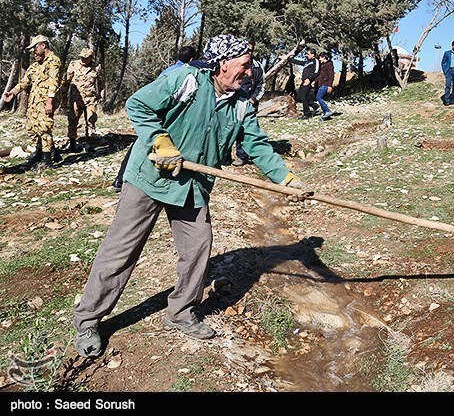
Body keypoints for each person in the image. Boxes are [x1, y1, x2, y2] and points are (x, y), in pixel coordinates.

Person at [73, 34, 306, 359]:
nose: (249, 71)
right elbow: (138, 104)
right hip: (149, 178)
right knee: (121, 250)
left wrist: (285, 178)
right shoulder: (185, 80)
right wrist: (160, 140)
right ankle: (88, 320)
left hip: (192, 186)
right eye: (245, 64)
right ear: (223, 63)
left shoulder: (241, 105)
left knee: (198, 246)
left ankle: (181, 311)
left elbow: (257, 144)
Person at [112, 46, 197, 191]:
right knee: (147, 147)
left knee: (141, 144)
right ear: (192, 59)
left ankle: (119, 180)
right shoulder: (187, 75)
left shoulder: (168, 71)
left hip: (153, 115)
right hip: (163, 120)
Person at [2, 35, 62, 168]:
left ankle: (47, 161)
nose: (34, 51)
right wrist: (12, 92)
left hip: (46, 102)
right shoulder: (35, 66)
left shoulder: (53, 61)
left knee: (44, 128)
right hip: (34, 102)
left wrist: (49, 102)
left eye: (35, 47)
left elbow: (54, 83)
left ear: (43, 45)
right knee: (32, 128)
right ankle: (40, 153)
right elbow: (24, 82)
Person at [64, 47, 104, 153]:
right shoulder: (73, 65)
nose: (83, 60)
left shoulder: (96, 67)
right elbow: (66, 81)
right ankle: (72, 144)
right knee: (72, 120)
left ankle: (89, 143)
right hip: (75, 98)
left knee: (91, 120)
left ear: (91, 58)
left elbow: (101, 82)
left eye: (86, 58)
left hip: (90, 98)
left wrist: (101, 94)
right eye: (82, 58)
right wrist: (63, 96)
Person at [233, 42, 265, 166]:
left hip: (250, 103)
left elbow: (262, 85)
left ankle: (242, 156)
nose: (249, 52)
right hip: (235, 102)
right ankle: (224, 155)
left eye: (250, 50)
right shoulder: (235, 64)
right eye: (246, 50)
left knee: (246, 129)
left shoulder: (258, 67)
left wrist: (253, 99)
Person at [292, 48, 319, 119]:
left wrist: (309, 79)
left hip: (308, 81)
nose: (307, 55)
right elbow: (298, 62)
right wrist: (287, 59)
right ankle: (314, 105)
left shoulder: (315, 61)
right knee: (299, 97)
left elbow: (316, 72)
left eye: (308, 54)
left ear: (313, 55)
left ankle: (307, 114)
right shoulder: (307, 62)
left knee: (303, 97)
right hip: (304, 81)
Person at [314, 51, 335, 121]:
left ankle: (327, 111)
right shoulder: (322, 65)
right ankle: (326, 115)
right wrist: (315, 81)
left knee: (318, 97)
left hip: (325, 84)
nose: (319, 60)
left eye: (320, 58)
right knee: (318, 97)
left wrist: (330, 86)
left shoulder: (329, 64)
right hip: (321, 84)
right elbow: (320, 75)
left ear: (323, 57)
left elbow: (331, 75)